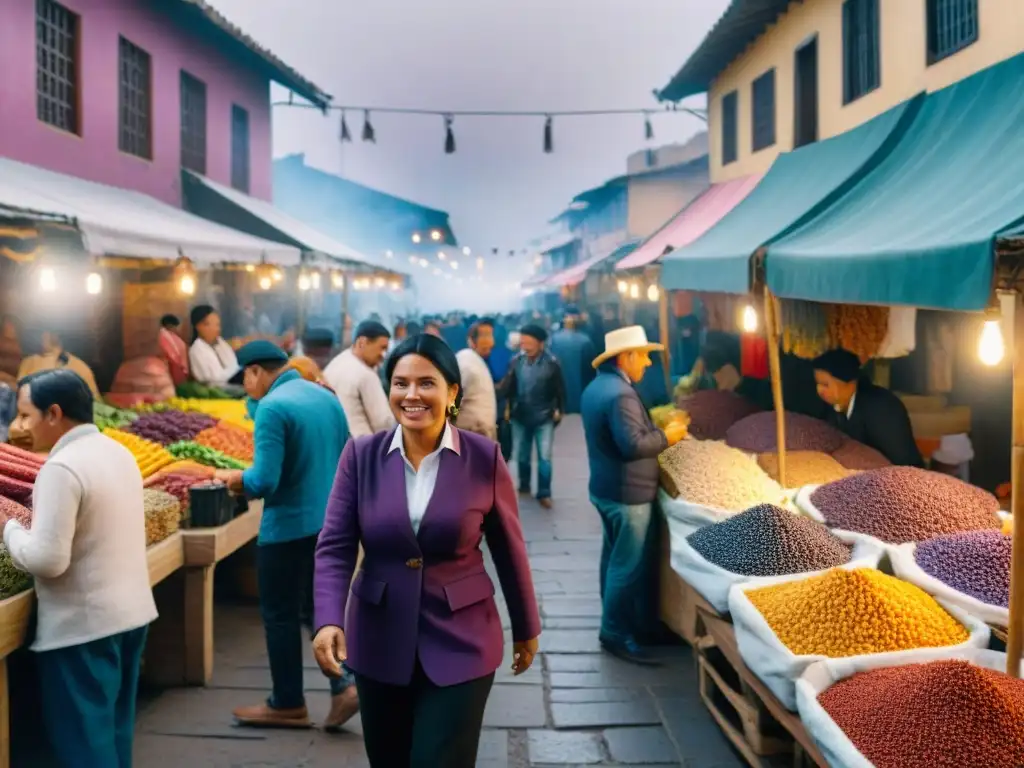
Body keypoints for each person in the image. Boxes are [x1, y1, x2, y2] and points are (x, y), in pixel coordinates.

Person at [312, 333, 541, 768]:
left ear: (452, 391)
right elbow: (336, 546)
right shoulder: (361, 456)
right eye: (400, 383)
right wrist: (327, 618)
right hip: (378, 639)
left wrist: (527, 625)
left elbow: (509, 548)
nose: (411, 395)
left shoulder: (483, 457)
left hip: (463, 639)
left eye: (426, 383)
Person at [2, 369, 156, 764]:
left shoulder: (61, 468)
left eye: (25, 415)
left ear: (53, 414)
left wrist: (10, 528)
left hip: (84, 630)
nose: (20, 426)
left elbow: (48, 560)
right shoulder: (118, 452)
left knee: (85, 746)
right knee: (115, 734)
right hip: (131, 616)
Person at [213, 341, 359, 730]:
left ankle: (287, 703)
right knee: (318, 610)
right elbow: (347, 457)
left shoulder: (274, 408)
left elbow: (264, 480)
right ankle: (345, 684)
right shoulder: (324, 396)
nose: (245, 385)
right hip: (330, 525)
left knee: (279, 615)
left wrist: (231, 479)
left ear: (257, 371)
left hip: (287, 529)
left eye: (245, 376)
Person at [581, 327, 687, 666]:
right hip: (627, 494)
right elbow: (634, 446)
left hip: (606, 488)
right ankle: (615, 632)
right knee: (626, 565)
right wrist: (668, 435)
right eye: (642, 355)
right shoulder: (620, 394)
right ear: (625, 357)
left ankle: (631, 624)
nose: (648, 361)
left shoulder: (597, 386)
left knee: (613, 560)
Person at [812, 348, 924, 467]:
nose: (820, 390)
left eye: (825, 385)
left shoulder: (881, 408)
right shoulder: (832, 407)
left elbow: (900, 460)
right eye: (817, 384)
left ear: (849, 382)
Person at [499, 324, 565, 509]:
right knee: (521, 454)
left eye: (528, 340)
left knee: (544, 457)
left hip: (544, 415)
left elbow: (560, 389)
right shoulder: (516, 361)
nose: (524, 343)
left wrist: (559, 409)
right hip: (520, 414)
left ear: (540, 343)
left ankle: (544, 492)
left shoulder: (552, 362)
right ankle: (524, 485)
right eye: (523, 340)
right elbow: (508, 387)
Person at [323, 321, 395, 438]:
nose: (383, 355)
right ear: (362, 343)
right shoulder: (366, 375)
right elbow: (383, 423)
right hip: (363, 447)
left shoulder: (334, 364)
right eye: (382, 348)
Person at [17, 330, 100, 398]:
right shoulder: (29, 362)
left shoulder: (80, 368)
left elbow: (98, 411)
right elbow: (20, 393)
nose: (43, 336)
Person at [455, 320, 498, 440]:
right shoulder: (467, 363)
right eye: (485, 336)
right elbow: (453, 402)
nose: (490, 342)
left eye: (491, 336)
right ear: (471, 340)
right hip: (471, 435)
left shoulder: (478, 360)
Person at [547, 313, 596, 414]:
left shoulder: (554, 339)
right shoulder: (584, 339)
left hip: (560, 379)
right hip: (580, 384)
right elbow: (591, 365)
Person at [188, 305, 240, 386]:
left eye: (218, 325)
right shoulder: (197, 349)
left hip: (235, 382)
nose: (217, 329)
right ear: (199, 327)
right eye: (210, 324)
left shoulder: (220, 342)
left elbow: (234, 364)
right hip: (219, 391)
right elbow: (214, 379)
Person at [158, 314, 190, 386]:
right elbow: (172, 353)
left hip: (177, 366)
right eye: (175, 326)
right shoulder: (164, 336)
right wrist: (180, 365)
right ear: (169, 325)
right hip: (174, 366)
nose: (176, 329)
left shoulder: (171, 335)